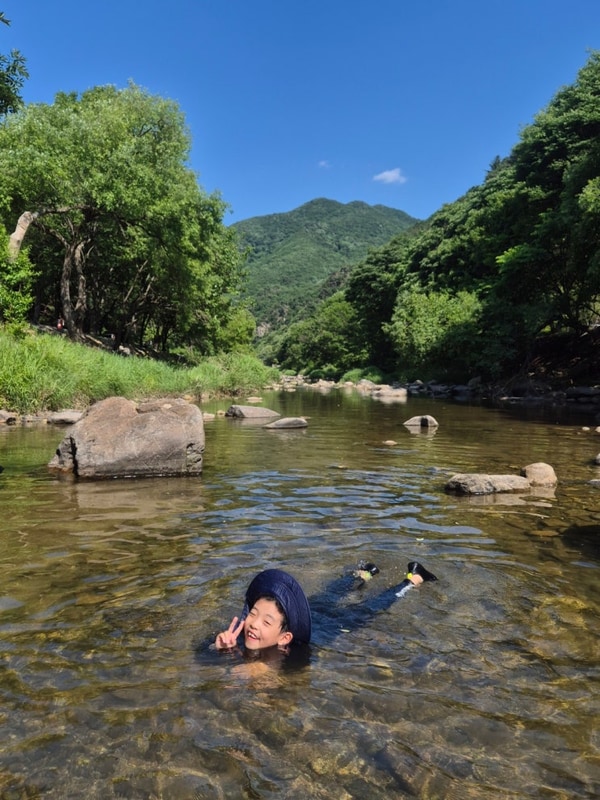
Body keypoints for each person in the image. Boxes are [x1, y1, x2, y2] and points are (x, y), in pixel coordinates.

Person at [214, 561, 437, 652]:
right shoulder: (238, 637)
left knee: (369, 608)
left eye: (266, 621)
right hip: (307, 617)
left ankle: (413, 578)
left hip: (330, 627)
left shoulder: (292, 654)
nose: (253, 624)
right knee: (328, 595)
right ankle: (365, 572)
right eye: (253, 614)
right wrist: (221, 649)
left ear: (285, 638)